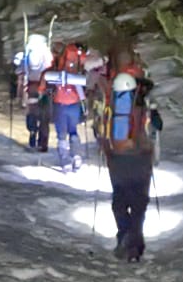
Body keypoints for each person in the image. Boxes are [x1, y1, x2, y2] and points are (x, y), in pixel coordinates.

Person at [100, 57, 164, 262]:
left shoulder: (111, 107)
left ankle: (123, 237)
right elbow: (157, 127)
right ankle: (134, 244)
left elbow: (100, 131)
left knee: (120, 202)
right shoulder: (143, 107)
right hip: (140, 160)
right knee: (139, 205)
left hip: (117, 161)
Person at [40, 41, 91, 172]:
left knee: (61, 134)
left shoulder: (53, 70)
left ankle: (65, 161)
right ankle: (77, 157)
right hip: (74, 103)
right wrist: (84, 105)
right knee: (73, 130)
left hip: (59, 104)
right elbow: (82, 89)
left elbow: (42, 88)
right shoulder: (78, 67)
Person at [11, 33, 53, 152]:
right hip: (45, 89)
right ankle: (43, 143)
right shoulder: (46, 53)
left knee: (32, 112)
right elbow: (52, 68)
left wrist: (19, 93)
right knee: (44, 117)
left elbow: (20, 71)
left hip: (31, 88)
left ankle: (32, 135)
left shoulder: (28, 52)